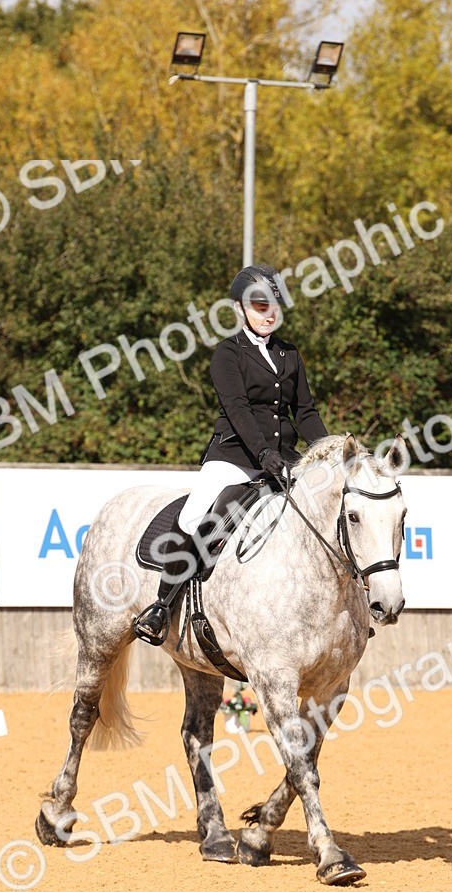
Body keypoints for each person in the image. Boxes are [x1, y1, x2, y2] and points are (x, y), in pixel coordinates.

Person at [133, 262, 329, 644]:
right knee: (194, 514)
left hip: (283, 457)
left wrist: (328, 453)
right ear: (240, 308)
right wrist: (263, 452)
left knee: (329, 507)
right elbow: (238, 410)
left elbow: (305, 411)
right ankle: (161, 606)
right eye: (260, 306)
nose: (269, 314)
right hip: (234, 455)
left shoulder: (290, 354)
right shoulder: (227, 354)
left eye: (274, 306)